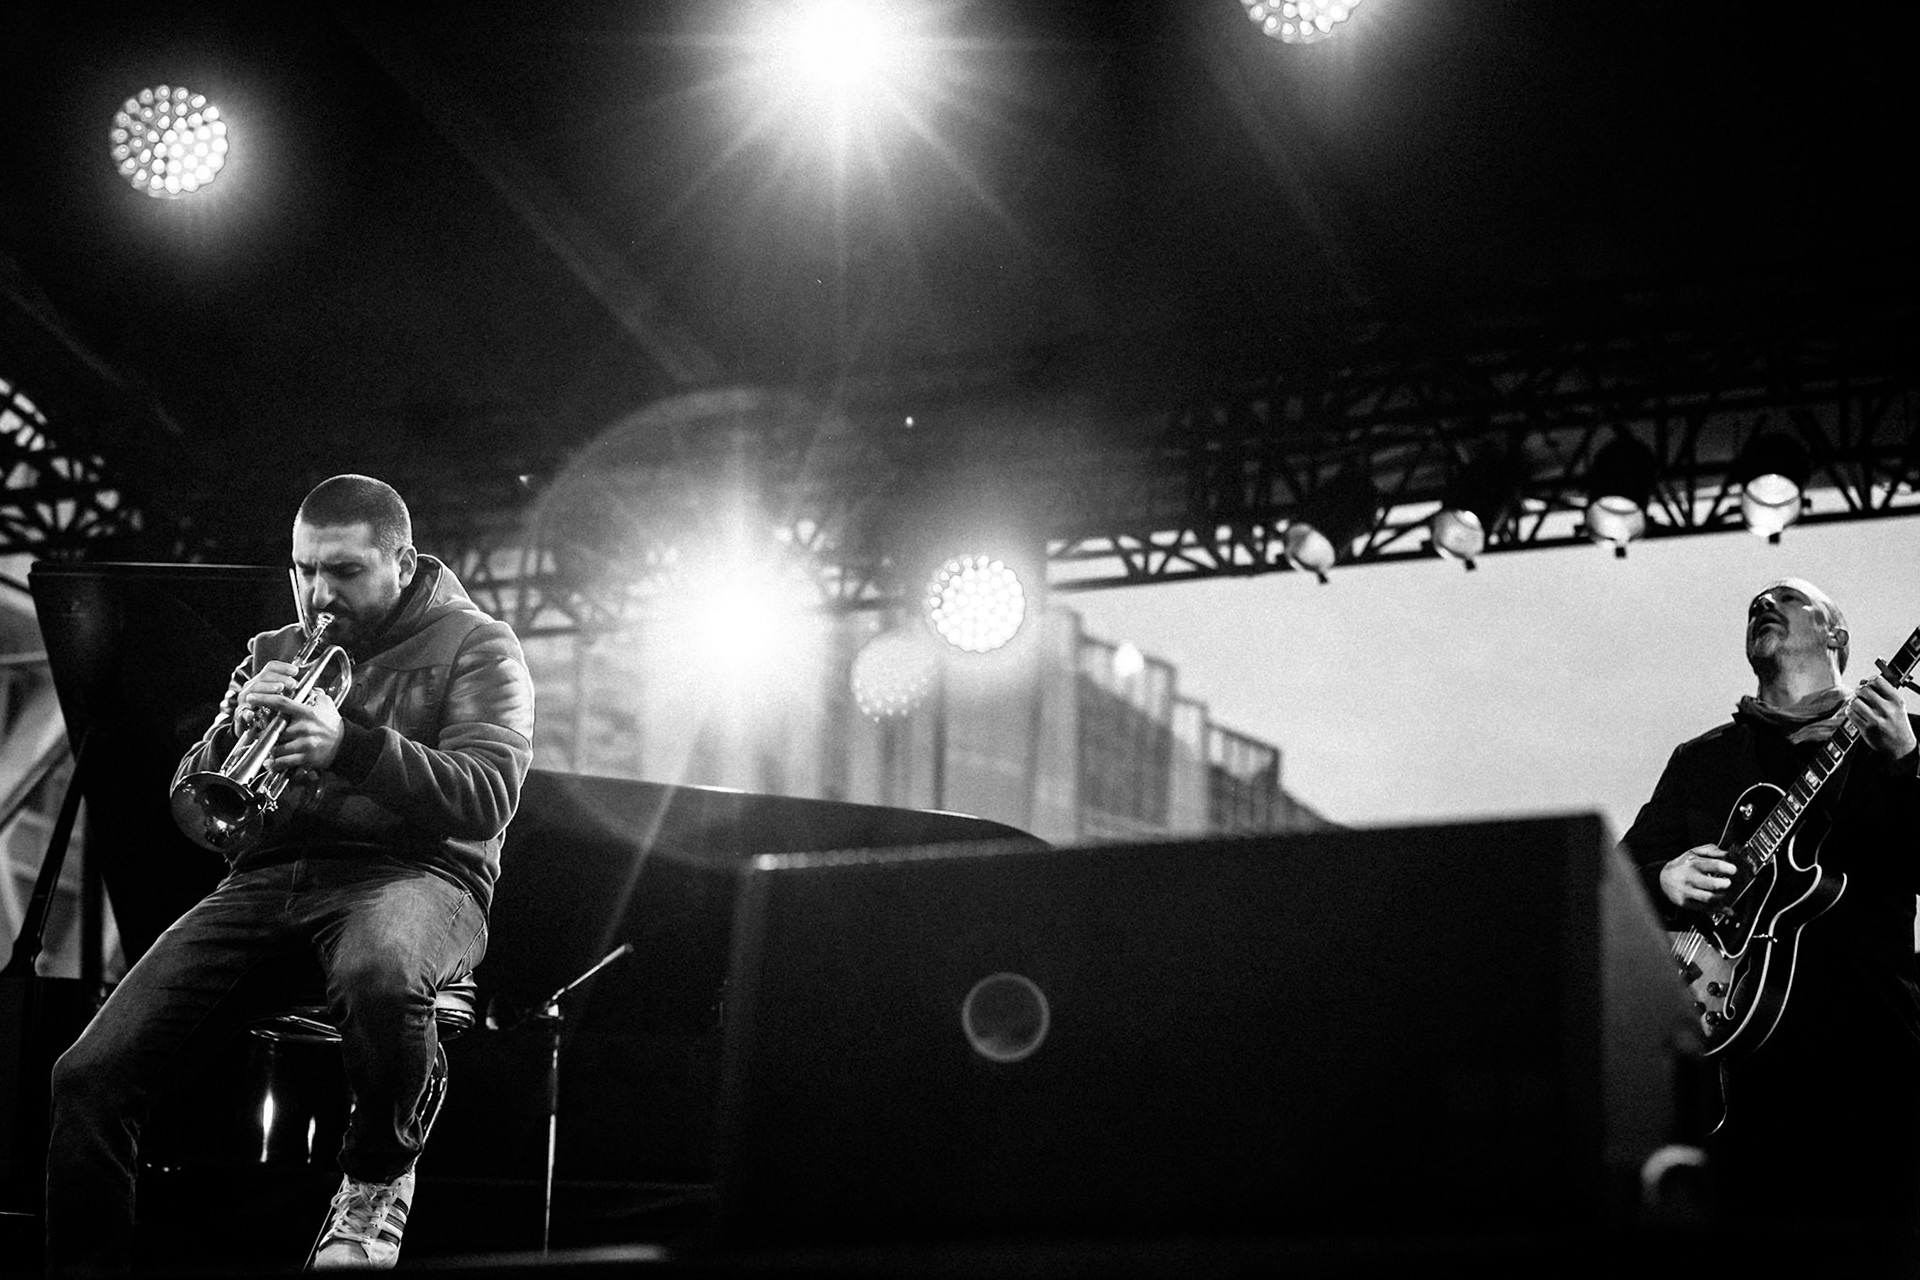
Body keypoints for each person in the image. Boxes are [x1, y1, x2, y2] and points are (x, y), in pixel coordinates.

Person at [45, 474, 535, 1273]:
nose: (316, 595)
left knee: (380, 971)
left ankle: (377, 1178)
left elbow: (486, 795)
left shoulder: (479, 645)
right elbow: (200, 808)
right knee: (87, 1074)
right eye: (304, 570)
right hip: (269, 882)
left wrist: (352, 747)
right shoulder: (273, 652)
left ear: (401, 561)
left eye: (341, 571)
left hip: (419, 878)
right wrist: (230, 734)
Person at [1622, 577, 1920, 1239]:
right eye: (1756, 602)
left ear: (1836, 637)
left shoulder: (1898, 738)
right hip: (1731, 1087)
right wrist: (1662, 875)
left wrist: (1905, 762)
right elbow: (1615, 875)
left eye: (1788, 599)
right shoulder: (1703, 760)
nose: (1763, 604)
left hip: (1867, 1073)